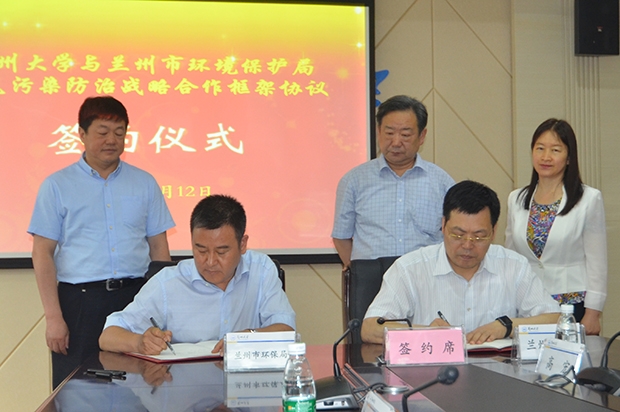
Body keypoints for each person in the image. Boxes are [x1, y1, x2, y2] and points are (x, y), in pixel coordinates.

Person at [28, 95, 175, 388]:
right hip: (80, 304)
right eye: (103, 132)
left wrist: (164, 308)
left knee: (139, 387)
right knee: (76, 390)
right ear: (82, 134)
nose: (112, 140)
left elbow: (159, 248)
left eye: (119, 133)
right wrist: (54, 318)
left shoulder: (144, 182)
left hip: (135, 299)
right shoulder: (57, 186)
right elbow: (42, 253)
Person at [361, 180, 560, 345]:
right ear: (443, 226)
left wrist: (506, 326)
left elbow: (556, 320)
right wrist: (425, 332)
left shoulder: (514, 266)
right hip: (430, 376)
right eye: (458, 234)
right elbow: (370, 328)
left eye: (479, 236)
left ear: (493, 232)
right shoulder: (410, 268)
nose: (467, 245)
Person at [99, 194, 295, 355]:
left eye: (221, 252)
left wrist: (247, 337)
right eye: (201, 250)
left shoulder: (261, 270)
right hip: (184, 386)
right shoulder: (168, 283)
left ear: (242, 244)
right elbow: (108, 336)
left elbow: (286, 330)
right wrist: (139, 342)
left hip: (244, 385)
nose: (210, 262)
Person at [505, 119, 607, 335]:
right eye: (540, 148)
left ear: (569, 157)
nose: (546, 157)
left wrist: (593, 313)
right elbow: (510, 257)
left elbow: (597, 262)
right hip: (528, 304)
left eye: (555, 150)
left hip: (572, 304)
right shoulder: (516, 199)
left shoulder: (588, 199)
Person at [332, 95, 454, 269]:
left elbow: (455, 235)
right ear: (378, 131)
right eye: (389, 133)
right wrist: (361, 273)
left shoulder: (442, 182)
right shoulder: (354, 181)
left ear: (422, 136)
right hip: (374, 278)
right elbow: (341, 237)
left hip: (425, 277)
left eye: (405, 134)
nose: (396, 142)